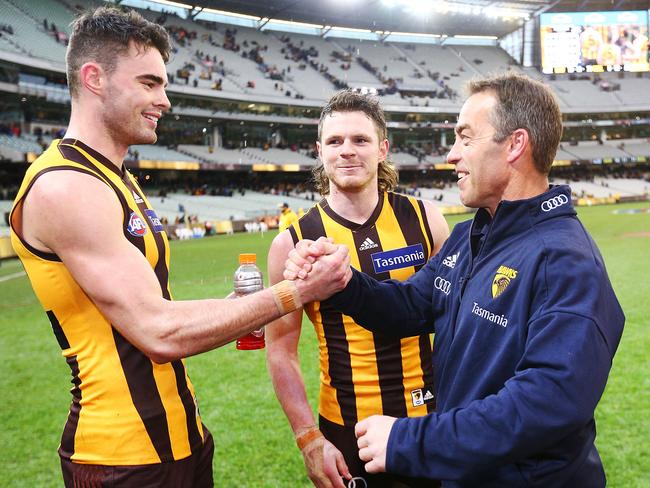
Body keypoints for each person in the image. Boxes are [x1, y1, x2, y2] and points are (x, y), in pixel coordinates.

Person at [7, 7, 342, 487]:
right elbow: (158, 332)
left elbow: (153, 313)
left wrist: (244, 306)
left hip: (178, 443)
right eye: (149, 83)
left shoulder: (116, 179)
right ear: (94, 78)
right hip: (121, 458)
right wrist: (294, 292)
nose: (164, 100)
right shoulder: (66, 185)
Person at [284, 73, 625, 487]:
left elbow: (548, 401)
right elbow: (409, 307)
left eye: (465, 138)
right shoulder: (470, 237)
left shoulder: (566, 260)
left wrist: (411, 442)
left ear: (515, 144)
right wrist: (342, 280)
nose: (451, 155)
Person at [266, 90, 449, 488]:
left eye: (360, 140)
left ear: (382, 148)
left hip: (430, 420)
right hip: (349, 430)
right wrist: (309, 439)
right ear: (320, 150)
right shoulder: (293, 242)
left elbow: (453, 322)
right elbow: (280, 351)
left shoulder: (426, 219)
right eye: (335, 141)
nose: (347, 151)